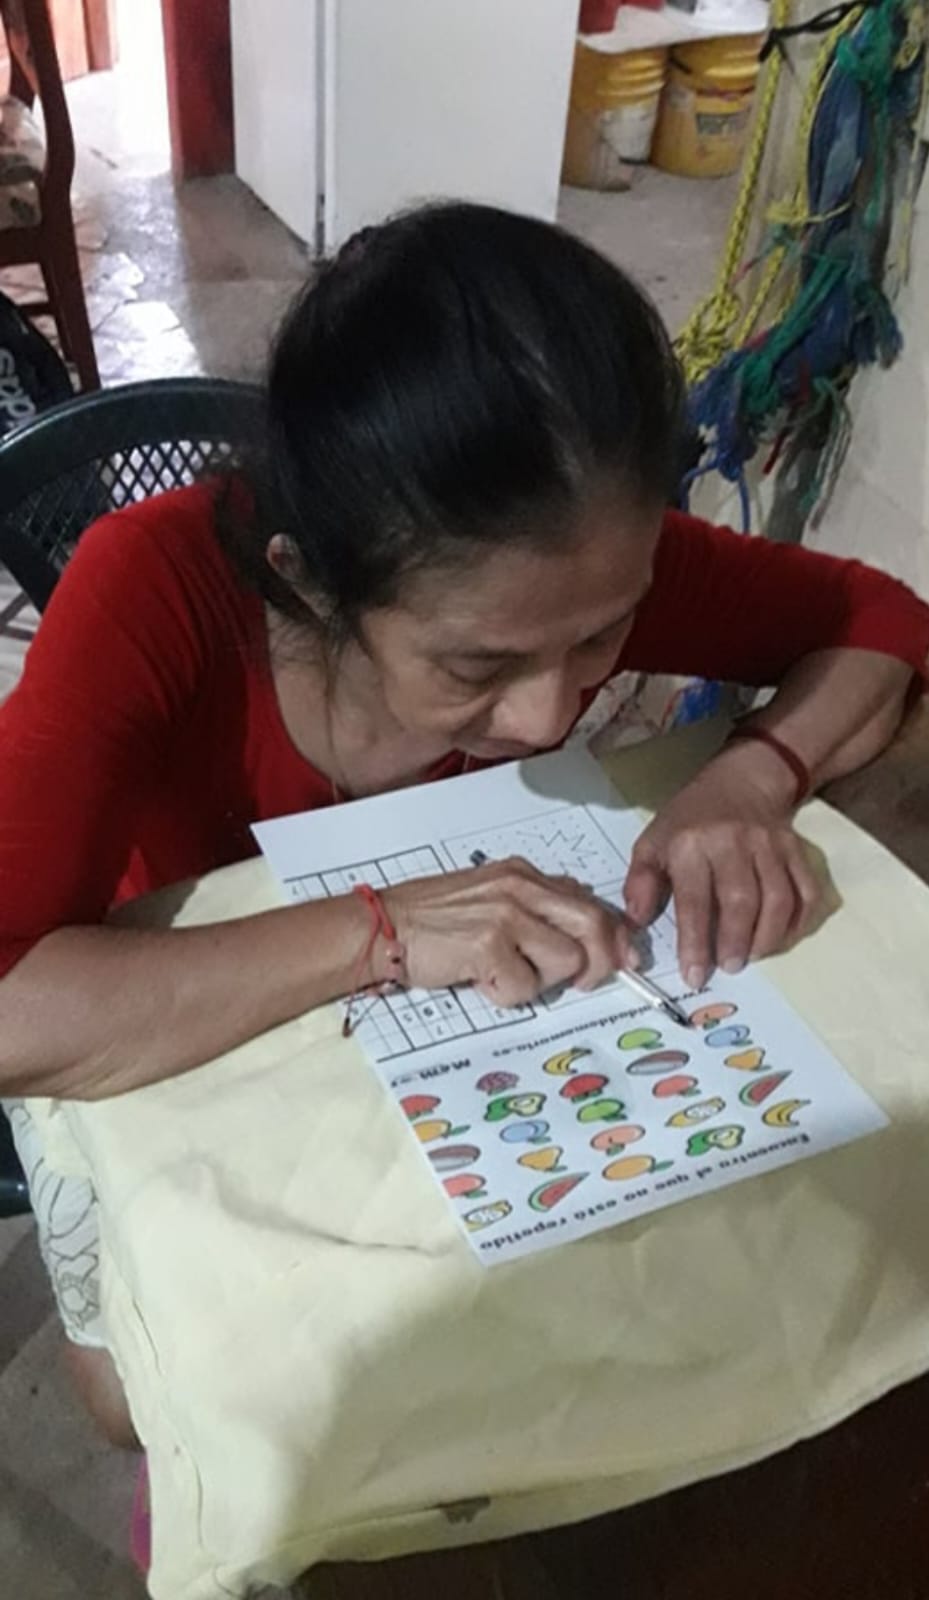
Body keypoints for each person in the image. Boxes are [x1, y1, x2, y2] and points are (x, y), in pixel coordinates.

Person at [1, 202, 927, 1448]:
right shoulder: (151, 589)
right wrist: (379, 930)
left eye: (603, 635)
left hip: (445, 1070)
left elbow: (877, 620)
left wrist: (753, 774)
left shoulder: (560, 565)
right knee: (160, 1401)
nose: (550, 711)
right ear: (309, 578)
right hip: (190, 1027)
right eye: (474, 667)